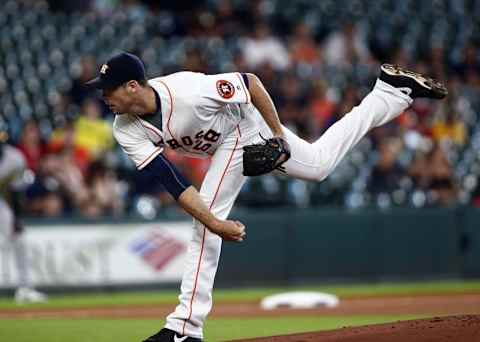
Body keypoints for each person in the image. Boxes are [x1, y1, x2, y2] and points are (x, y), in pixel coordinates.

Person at [85, 52, 447, 341]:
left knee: (209, 220)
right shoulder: (126, 128)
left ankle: (184, 328)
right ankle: (389, 94)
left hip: (242, 127)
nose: (103, 96)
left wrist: (277, 136)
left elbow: (251, 83)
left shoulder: (188, 92)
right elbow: (172, 180)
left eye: (108, 89)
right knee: (318, 166)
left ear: (132, 86)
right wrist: (214, 221)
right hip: (226, 144)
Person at [0, 126, 48, 304]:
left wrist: (15, 218)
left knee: (18, 238)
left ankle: (25, 288)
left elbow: (15, 191)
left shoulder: (15, 159)